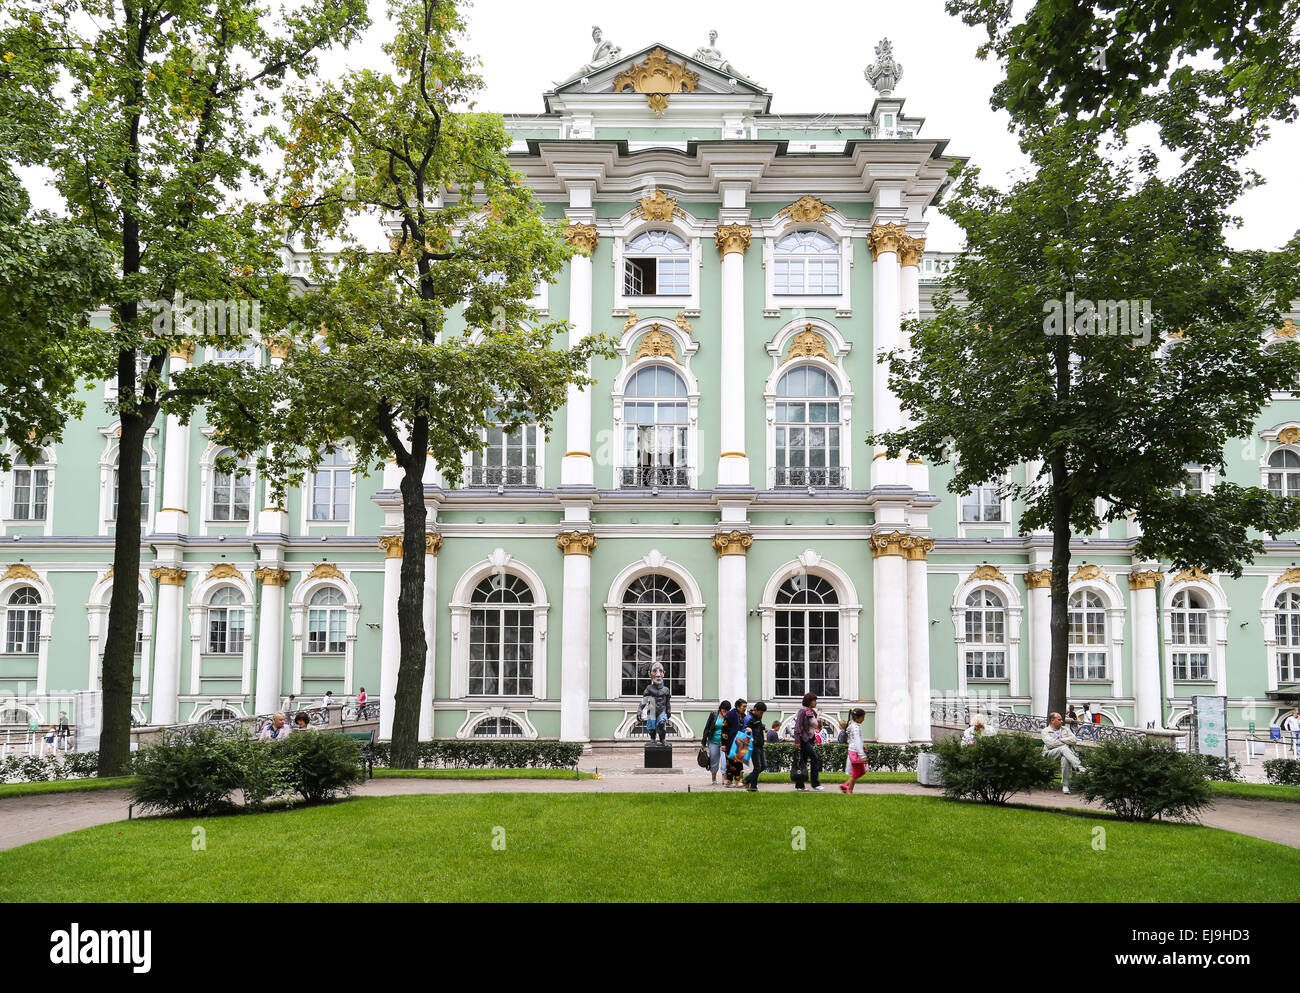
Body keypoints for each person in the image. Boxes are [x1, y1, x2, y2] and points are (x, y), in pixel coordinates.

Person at [1041, 712, 1086, 793]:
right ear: (1052, 720)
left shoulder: (1066, 729)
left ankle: (1065, 786)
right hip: (1050, 754)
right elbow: (1050, 744)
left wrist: (1061, 739)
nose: (1062, 721)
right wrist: (1067, 741)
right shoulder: (1045, 731)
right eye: (1059, 719)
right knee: (1064, 748)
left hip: (1064, 754)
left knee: (1065, 758)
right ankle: (1079, 767)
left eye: (1062, 719)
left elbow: (1074, 740)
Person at [793, 693, 823, 791]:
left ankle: (800, 785)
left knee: (803, 761)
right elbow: (797, 727)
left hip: (809, 740)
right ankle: (815, 783)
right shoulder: (802, 712)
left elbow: (812, 728)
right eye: (814, 700)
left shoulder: (813, 713)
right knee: (815, 758)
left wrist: (813, 739)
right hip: (803, 740)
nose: (816, 702)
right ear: (809, 702)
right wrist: (797, 741)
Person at [638, 662, 672, 745]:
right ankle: (653, 739)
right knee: (652, 728)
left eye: (660, 671)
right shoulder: (649, 689)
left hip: (662, 711)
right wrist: (639, 710)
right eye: (654, 671)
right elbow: (644, 701)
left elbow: (667, 702)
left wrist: (669, 711)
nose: (658, 674)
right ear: (650, 674)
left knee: (661, 724)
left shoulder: (666, 690)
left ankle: (662, 739)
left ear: (663, 673)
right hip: (652, 711)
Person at [700, 701, 730, 786]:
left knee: (724, 761)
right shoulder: (714, 714)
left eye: (727, 710)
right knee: (714, 760)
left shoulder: (729, 716)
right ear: (720, 708)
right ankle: (714, 778)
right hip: (713, 741)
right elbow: (707, 728)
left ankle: (724, 778)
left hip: (724, 742)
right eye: (724, 710)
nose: (726, 712)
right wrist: (704, 742)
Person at [743, 702, 769, 791]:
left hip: (760, 744)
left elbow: (758, 725)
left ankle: (746, 780)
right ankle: (753, 787)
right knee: (757, 766)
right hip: (753, 745)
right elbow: (742, 728)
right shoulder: (748, 718)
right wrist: (747, 729)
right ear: (755, 710)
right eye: (761, 712)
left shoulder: (758, 716)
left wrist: (764, 727)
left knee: (763, 766)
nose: (762, 714)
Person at [840, 708, 867, 794]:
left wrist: (862, 746)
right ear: (858, 718)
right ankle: (849, 790)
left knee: (862, 772)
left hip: (855, 751)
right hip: (856, 752)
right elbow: (857, 741)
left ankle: (846, 785)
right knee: (856, 773)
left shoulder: (853, 725)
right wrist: (862, 755)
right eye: (863, 717)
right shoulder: (855, 728)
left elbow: (853, 740)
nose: (864, 719)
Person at [722, 699, 748, 787]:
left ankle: (738, 781)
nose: (745, 708)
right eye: (743, 706)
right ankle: (729, 781)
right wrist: (724, 744)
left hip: (740, 743)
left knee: (738, 762)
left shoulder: (744, 716)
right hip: (730, 743)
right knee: (730, 762)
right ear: (737, 706)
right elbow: (724, 730)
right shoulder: (730, 715)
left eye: (745, 706)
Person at [727, 718, 754, 788]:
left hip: (734, 747)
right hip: (731, 745)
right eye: (743, 706)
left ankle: (736, 781)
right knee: (732, 764)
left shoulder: (743, 717)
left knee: (737, 764)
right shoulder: (732, 717)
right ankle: (731, 781)